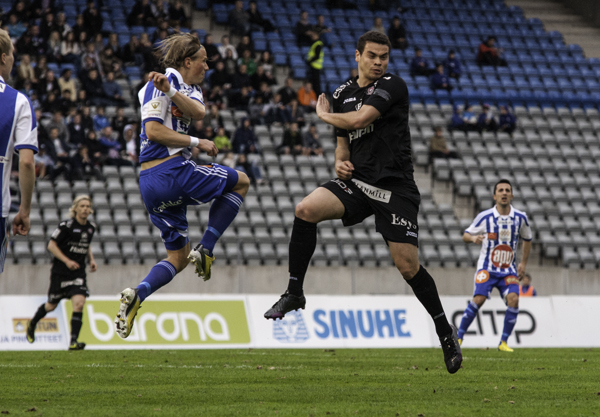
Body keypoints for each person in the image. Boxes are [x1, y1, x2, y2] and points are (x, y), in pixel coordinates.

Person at [263, 31, 462, 374]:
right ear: (358, 56)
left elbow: (358, 120)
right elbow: (344, 141)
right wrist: (339, 161)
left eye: (383, 56)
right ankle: (295, 292)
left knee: (407, 267)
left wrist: (323, 116)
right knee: (305, 209)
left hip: (394, 188)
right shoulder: (340, 93)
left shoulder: (393, 85)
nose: (378, 62)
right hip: (357, 182)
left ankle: (444, 331)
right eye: (372, 55)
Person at [114, 33, 250, 339]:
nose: (207, 66)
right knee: (242, 182)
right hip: (171, 171)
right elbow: (153, 131)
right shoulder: (155, 83)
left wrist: (172, 91)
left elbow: (198, 112)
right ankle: (207, 249)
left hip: (151, 186)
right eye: (203, 60)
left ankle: (139, 294)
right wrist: (196, 141)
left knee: (177, 257)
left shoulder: (187, 88)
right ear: (187, 61)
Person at [457, 179, 532, 352]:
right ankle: (459, 337)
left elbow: (527, 239)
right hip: (487, 269)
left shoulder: (520, 218)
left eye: (507, 190)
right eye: (500, 190)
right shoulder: (485, 217)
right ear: (494, 195)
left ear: (511, 195)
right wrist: (473, 238)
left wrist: (523, 263)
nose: (504, 193)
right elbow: (465, 235)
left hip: (509, 271)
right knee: (479, 299)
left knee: (514, 299)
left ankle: (503, 343)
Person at [26, 195, 97, 350]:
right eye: (82, 206)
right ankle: (32, 324)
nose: (85, 209)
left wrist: (91, 259)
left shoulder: (90, 228)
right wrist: (67, 261)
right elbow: (51, 246)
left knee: (79, 303)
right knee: (51, 306)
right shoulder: (67, 226)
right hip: (61, 272)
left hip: (78, 273)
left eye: (87, 206)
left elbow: (86, 244)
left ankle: (73, 341)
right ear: (75, 208)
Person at [0, 29, 37, 273]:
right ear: (3, 57)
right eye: (13, 53)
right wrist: (24, 210)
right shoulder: (18, 101)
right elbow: (26, 162)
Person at [306, 31, 324, 95]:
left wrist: (309, 61)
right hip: (314, 66)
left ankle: (317, 96)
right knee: (314, 83)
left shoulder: (318, 44)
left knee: (316, 84)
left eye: (313, 35)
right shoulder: (315, 43)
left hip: (315, 66)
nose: (312, 37)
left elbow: (317, 56)